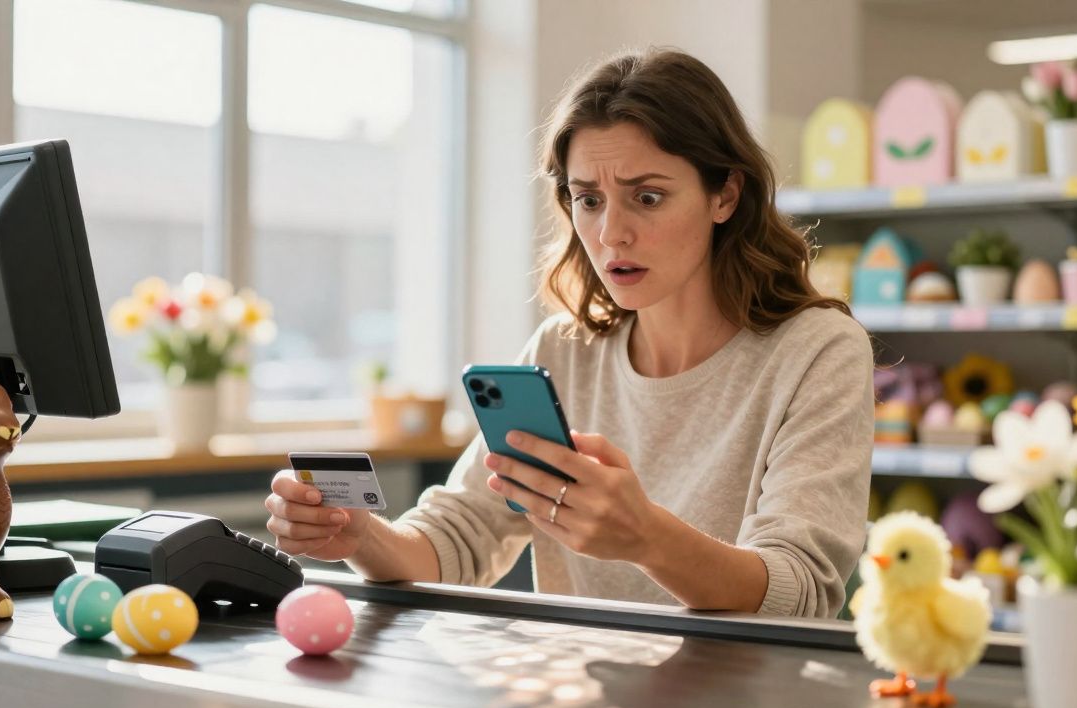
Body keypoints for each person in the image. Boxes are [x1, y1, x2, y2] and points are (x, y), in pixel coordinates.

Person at [265, 48, 873, 617]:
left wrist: (647, 538)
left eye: (649, 197)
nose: (611, 234)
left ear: (725, 195)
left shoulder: (818, 352)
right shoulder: (564, 350)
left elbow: (803, 590)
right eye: (588, 199)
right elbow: (461, 538)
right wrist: (362, 535)